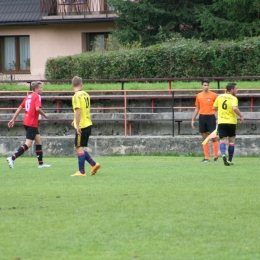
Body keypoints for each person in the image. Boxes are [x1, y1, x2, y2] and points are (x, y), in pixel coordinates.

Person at [7, 81, 51, 169]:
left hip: (26, 122)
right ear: (36, 89)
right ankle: (12, 158)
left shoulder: (28, 96)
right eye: (40, 87)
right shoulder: (37, 96)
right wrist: (45, 115)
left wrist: (13, 119)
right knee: (28, 144)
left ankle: (41, 164)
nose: (42, 89)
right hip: (32, 123)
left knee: (39, 141)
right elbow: (37, 108)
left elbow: (20, 107)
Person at [70, 76, 100, 177]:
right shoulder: (86, 94)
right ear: (81, 84)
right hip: (88, 123)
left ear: (72, 85)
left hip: (82, 126)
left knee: (78, 148)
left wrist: (77, 125)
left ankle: (81, 172)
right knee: (78, 147)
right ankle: (94, 164)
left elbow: (78, 111)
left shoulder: (76, 96)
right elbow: (84, 110)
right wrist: (75, 121)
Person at [213, 82, 244, 166]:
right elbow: (234, 108)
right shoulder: (233, 98)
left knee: (222, 140)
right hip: (231, 122)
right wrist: (241, 115)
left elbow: (214, 108)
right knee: (231, 141)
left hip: (222, 122)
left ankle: (223, 154)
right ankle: (230, 160)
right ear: (231, 90)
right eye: (236, 89)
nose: (236, 90)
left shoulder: (219, 97)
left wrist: (218, 116)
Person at [191, 79, 218, 162]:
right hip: (202, 117)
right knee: (204, 137)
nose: (206, 87)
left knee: (213, 137)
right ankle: (207, 157)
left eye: (207, 85)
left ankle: (215, 157)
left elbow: (217, 107)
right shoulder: (198, 95)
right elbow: (197, 108)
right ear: (202, 86)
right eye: (205, 85)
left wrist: (217, 118)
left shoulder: (214, 95)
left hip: (211, 117)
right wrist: (193, 119)